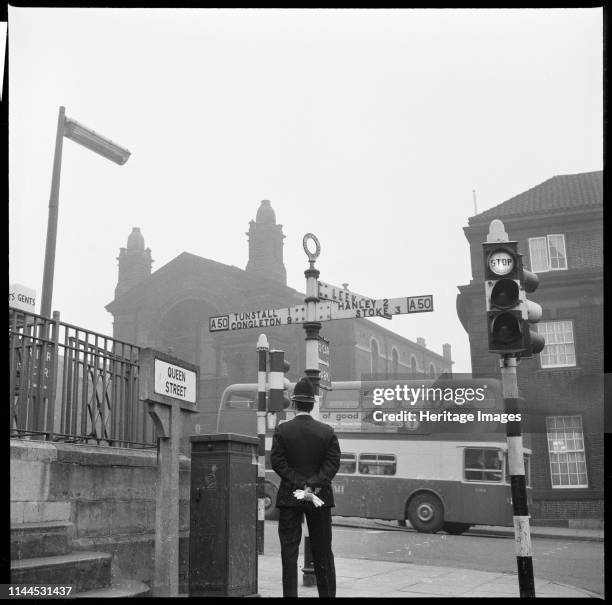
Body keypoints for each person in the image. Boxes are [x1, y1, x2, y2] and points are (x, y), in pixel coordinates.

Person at [270, 376, 341, 598]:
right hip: (319, 497)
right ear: (312, 404)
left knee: (289, 554)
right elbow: (332, 464)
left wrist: (301, 485)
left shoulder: (283, 431)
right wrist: (313, 485)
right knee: (323, 553)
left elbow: (278, 463)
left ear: (293, 403)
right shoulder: (327, 432)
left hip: (291, 496)